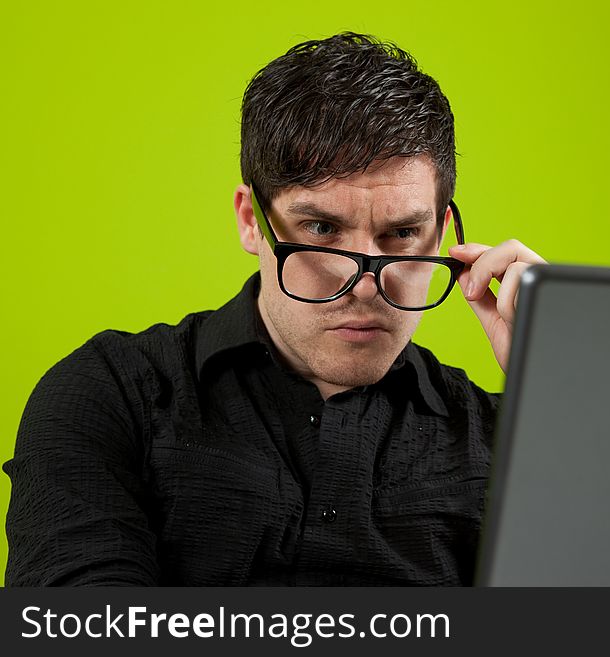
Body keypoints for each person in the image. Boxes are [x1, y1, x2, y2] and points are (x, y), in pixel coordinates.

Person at [3, 32, 545, 586]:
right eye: (321, 229)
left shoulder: (514, 439)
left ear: (446, 234)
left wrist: (570, 410)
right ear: (249, 220)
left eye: (402, 233)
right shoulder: (110, 396)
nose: (362, 284)